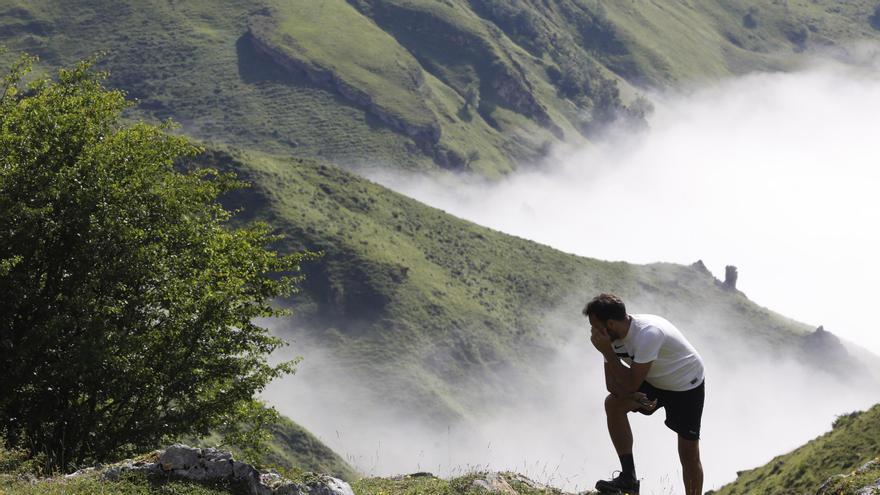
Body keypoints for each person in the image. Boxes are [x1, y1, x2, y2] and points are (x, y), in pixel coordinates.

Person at [584, 293, 705, 495]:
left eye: (594, 325)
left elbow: (630, 383)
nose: (592, 332)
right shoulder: (611, 337)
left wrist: (607, 353)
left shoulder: (648, 334)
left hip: (686, 384)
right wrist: (630, 396)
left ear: (611, 324)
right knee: (613, 404)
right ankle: (628, 479)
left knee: (688, 453)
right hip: (652, 378)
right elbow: (612, 386)